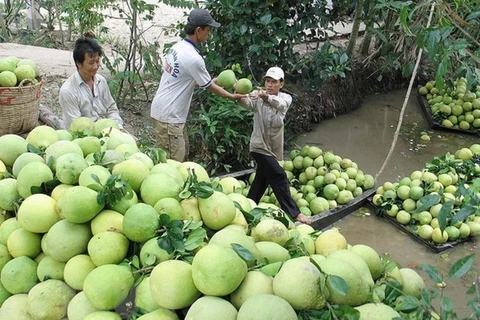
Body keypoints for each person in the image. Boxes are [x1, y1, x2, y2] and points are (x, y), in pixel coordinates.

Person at [150, 8, 245, 161]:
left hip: (164, 111)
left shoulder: (177, 47)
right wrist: (231, 96)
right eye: (208, 30)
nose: (209, 34)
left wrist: (210, 82)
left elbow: (182, 80)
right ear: (198, 30)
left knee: (182, 154)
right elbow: (209, 87)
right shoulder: (193, 58)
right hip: (169, 116)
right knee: (172, 163)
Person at [238, 67, 312, 224]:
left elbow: (281, 105)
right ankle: (295, 213)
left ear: (281, 84)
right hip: (258, 146)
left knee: (262, 178)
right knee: (279, 175)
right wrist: (237, 92)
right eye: (267, 81)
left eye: (274, 82)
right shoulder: (257, 97)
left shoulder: (285, 98)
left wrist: (266, 98)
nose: (269, 85)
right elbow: (245, 102)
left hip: (273, 148)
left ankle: (249, 206)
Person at [59, 36, 125, 130]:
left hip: (107, 131)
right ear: (79, 63)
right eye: (91, 63)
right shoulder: (68, 91)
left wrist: (117, 127)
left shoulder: (101, 81)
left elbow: (111, 108)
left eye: (97, 61)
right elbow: (76, 127)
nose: (95, 66)